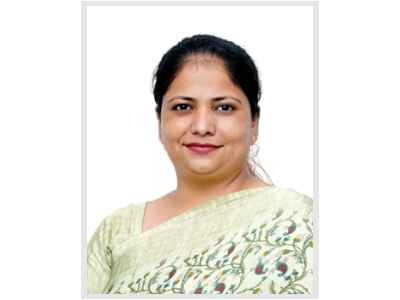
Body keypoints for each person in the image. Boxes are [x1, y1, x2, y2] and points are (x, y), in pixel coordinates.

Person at [87, 34, 313, 295]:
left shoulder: (300, 223)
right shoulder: (116, 233)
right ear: (159, 122)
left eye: (224, 108)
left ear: (254, 124)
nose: (202, 127)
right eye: (183, 107)